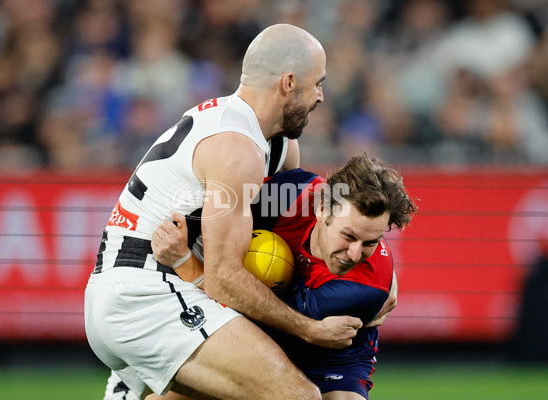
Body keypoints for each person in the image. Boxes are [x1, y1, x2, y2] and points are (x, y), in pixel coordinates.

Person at [85, 23, 365, 400]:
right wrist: (308, 329)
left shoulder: (271, 143)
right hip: (146, 292)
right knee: (297, 396)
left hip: (151, 287)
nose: (321, 95)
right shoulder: (237, 149)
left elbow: (312, 230)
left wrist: (376, 274)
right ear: (288, 83)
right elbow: (224, 278)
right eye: (317, 83)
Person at [147, 155, 416, 400]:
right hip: (267, 334)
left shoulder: (364, 289)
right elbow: (219, 206)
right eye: (349, 236)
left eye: (371, 242)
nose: (355, 254)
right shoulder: (293, 194)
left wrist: (184, 263)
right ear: (321, 209)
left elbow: (254, 306)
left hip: (333, 361)